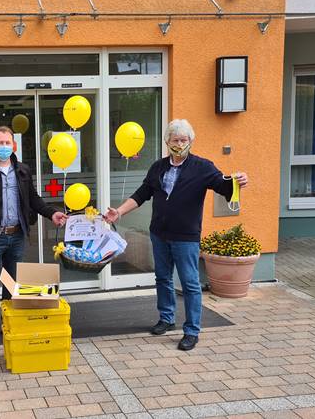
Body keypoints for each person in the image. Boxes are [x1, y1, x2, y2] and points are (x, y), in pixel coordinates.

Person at [104, 119, 248, 351]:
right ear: (167, 141)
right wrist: (118, 212)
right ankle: (166, 318)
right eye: (175, 140)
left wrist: (238, 181)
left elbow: (224, 186)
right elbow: (142, 194)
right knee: (163, 278)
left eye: (184, 140)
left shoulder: (203, 167)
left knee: (190, 284)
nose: (179, 144)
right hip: (159, 234)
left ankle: (191, 331)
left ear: (190, 142)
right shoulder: (158, 167)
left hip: (186, 237)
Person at [0, 126, 68, 346]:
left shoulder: (22, 171)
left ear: (14, 145)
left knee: (13, 284)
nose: (3, 147)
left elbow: (34, 199)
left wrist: (52, 213)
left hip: (17, 235)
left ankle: (7, 320)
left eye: (7, 143)